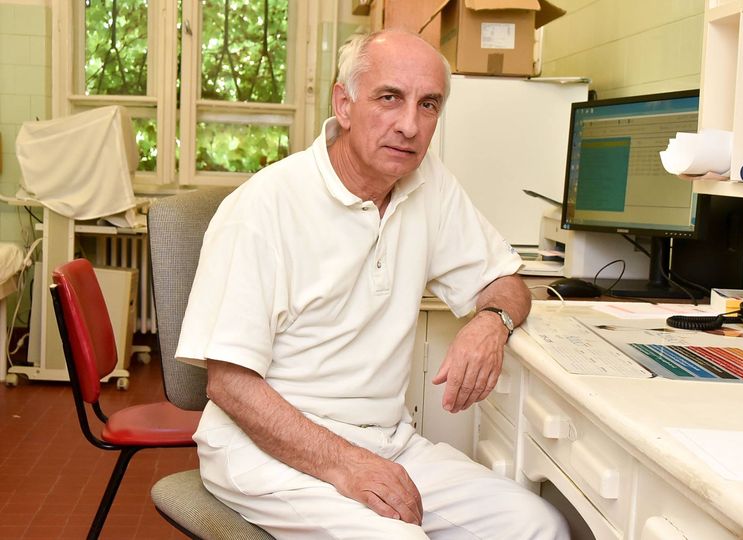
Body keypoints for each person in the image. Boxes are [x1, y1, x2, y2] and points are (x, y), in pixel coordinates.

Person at [176, 29, 569, 539]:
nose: (409, 125)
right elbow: (229, 384)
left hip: (388, 442)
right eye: (389, 98)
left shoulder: (429, 184)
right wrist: (346, 464)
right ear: (344, 103)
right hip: (265, 450)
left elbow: (507, 281)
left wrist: (491, 323)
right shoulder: (262, 208)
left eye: (428, 105)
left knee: (536, 527)